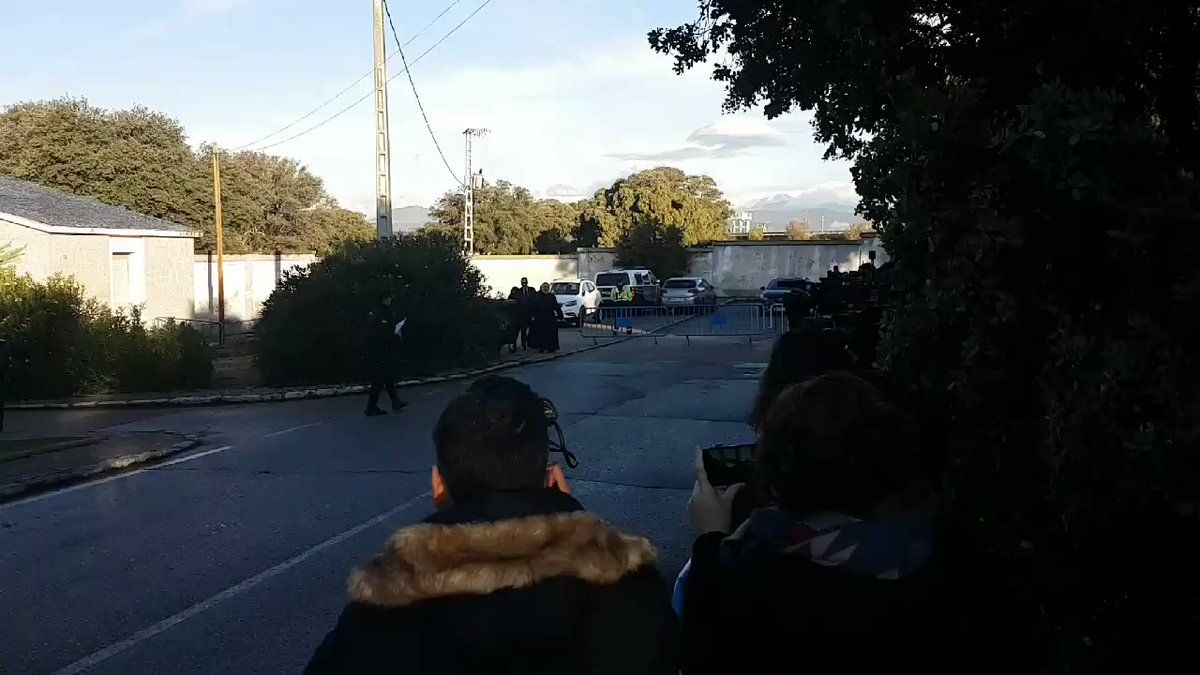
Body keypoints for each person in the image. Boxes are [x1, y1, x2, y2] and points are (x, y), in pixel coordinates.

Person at [305, 375, 679, 675]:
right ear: (553, 479)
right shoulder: (632, 587)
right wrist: (565, 512)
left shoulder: (383, 609)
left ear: (438, 486)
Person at [680, 373, 956, 673]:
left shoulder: (761, 576)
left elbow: (702, 652)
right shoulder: (938, 548)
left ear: (780, 479)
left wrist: (710, 537)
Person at [364, 292, 406, 417]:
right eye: (388, 298)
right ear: (382, 299)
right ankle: (371, 407)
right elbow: (374, 334)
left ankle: (395, 402)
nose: (390, 300)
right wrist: (391, 336)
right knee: (379, 379)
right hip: (378, 352)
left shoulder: (389, 312)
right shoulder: (376, 314)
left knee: (388, 377)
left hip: (387, 351)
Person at [528, 282, 564, 353]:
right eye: (544, 287)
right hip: (540, 318)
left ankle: (551, 348)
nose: (545, 288)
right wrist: (532, 316)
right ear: (541, 287)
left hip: (550, 318)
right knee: (541, 334)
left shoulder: (551, 296)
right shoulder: (537, 296)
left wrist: (560, 315)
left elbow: (556, 306)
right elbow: (533, 307)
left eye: (547, 287)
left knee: (551, 334)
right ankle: (542, 347)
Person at [513, 277, 536, 350]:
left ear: (527, 282)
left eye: (525, 282)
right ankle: (524, 345)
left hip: (531, 312)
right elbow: (517, 302)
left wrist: (534, 314)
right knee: (523, 330)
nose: (524, 284)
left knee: (533, 329)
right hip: (522, 314)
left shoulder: (532, 290)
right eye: (522, 283)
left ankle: (531, 343)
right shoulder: (518, 292)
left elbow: (535, 300)